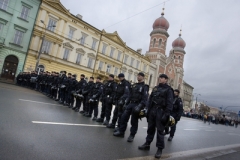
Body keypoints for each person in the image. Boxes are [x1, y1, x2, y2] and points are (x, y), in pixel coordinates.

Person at [138, 74, 173, 159]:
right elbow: (150, 100)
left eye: (162, 78)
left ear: (166, 80)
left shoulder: (168, 90)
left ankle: (159, 149)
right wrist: (147, 110)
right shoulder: (155, 88)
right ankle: (147, 144)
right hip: (152, 110)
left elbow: (169, 103)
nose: (160, 79)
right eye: (159, 77)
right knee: (150, 129)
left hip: (161, 111)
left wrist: (166, 114)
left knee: (160, 131)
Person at [114, 72, 149, 142]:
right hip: (131, 104)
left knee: (134, 121)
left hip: (137, 105)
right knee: (123, 118)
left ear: (143, 77)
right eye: (137, 76)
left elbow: (145, 98)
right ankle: (121, 132)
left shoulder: (145, 86)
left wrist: (140, 106)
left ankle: (132, 135)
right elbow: (130, 95)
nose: (138, 77)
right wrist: (126, 103)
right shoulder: (134, 85)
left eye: (139, 76)